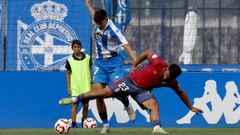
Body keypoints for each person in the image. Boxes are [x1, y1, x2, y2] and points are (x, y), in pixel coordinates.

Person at [59, 50, 203, 133]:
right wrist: (135, 64)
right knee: (102, 94)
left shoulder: (171, 81)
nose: (165, 80)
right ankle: (75, 99)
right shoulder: (158, 62)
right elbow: (148, 52)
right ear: (166, 69)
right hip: (130, 82)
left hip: (142, 91)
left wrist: (191, 107)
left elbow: (180, 92)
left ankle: (157, 129)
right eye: (166, 76)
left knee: (154, 104)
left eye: (169, 79)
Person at [84, 0, 138, 133]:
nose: (99, 26)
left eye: (101, 24)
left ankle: (127, 105)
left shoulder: (114, 29)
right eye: (97, 24)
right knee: (97, 94)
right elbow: (92, 13)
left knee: (120, 90)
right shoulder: (97, 22)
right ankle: (106, 125)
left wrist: (136, 62)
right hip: (100, 64)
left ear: (106, 19)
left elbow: (126, 45)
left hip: (114, 63)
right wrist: (88, 4)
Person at [65, 40, 92, 127]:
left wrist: (91, 82)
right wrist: (69, 87)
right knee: (75, 105)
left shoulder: (87, 57)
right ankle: (74, 123)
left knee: (86, 105)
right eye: (75, 47)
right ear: (72, 48)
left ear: (81, 47)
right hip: (75, 87)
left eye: (78, 47)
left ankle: (84, 122)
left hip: (86, 86)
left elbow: (90, 70)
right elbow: (68, 74)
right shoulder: (69, 60)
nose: (77, 48)